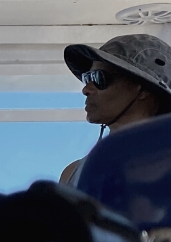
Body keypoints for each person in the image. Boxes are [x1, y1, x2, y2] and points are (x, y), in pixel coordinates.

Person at [60, 34, 171, 186]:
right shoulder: (73, 174)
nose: (86, 89)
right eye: (87, 78)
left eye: (99, 78)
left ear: (143, 89)